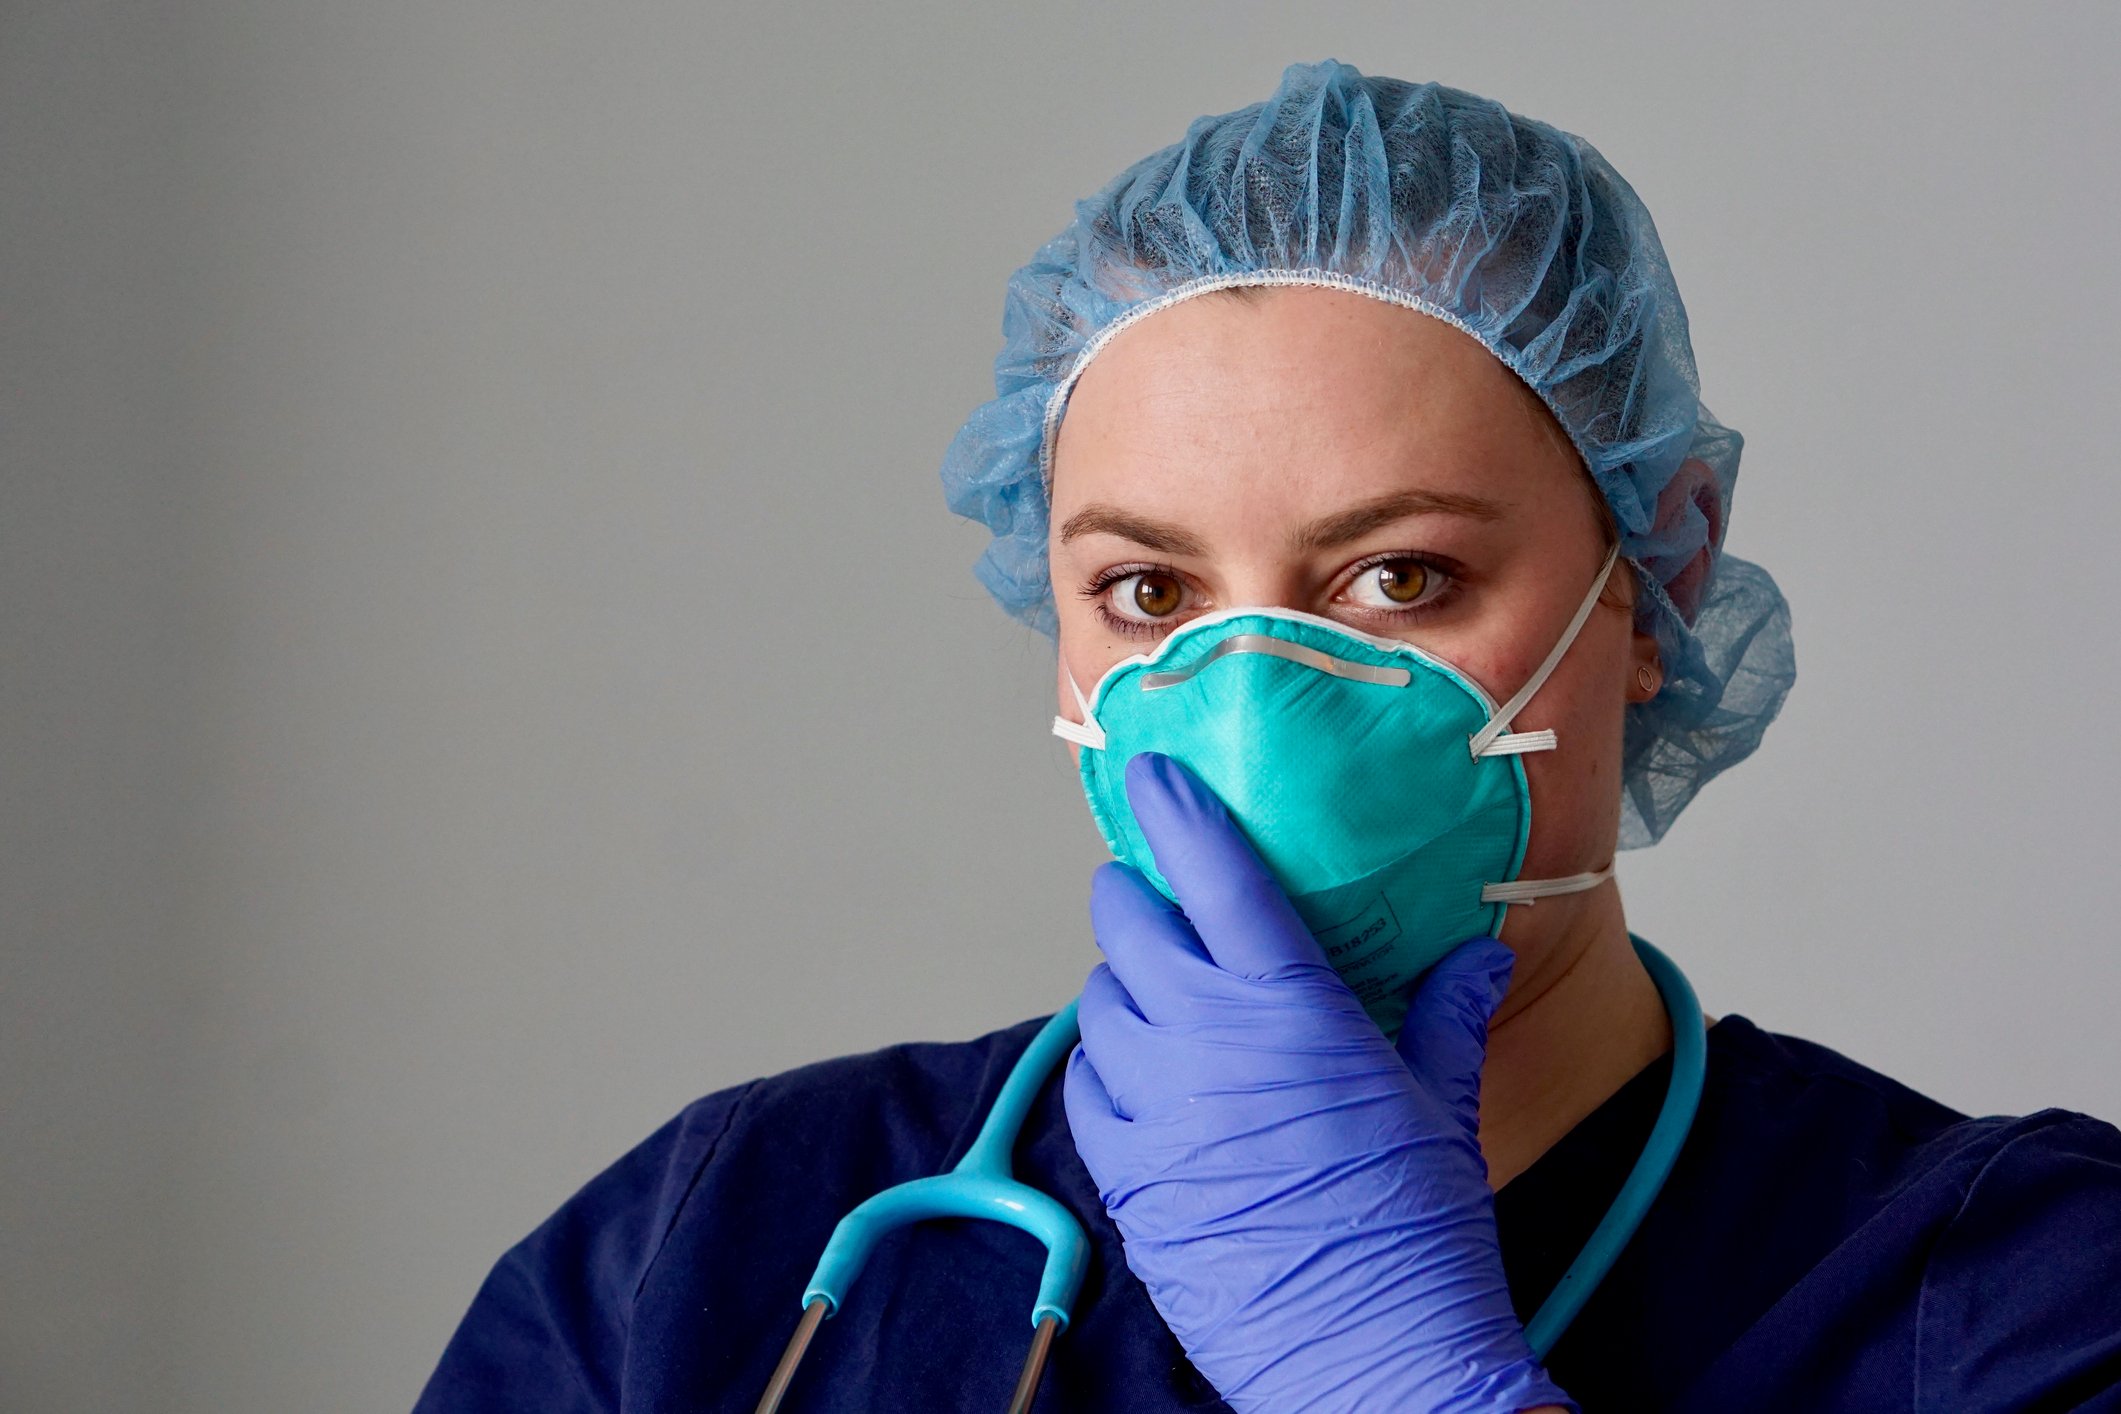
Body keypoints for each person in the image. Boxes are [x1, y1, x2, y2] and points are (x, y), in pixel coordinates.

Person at [414, 60, 2121, 1413]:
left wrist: (1402, 1389)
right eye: (1150, 593)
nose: (1248, 702)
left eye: (1396, 575)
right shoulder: (715, 1241)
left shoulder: (2017, 1294)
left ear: (1653, 573)